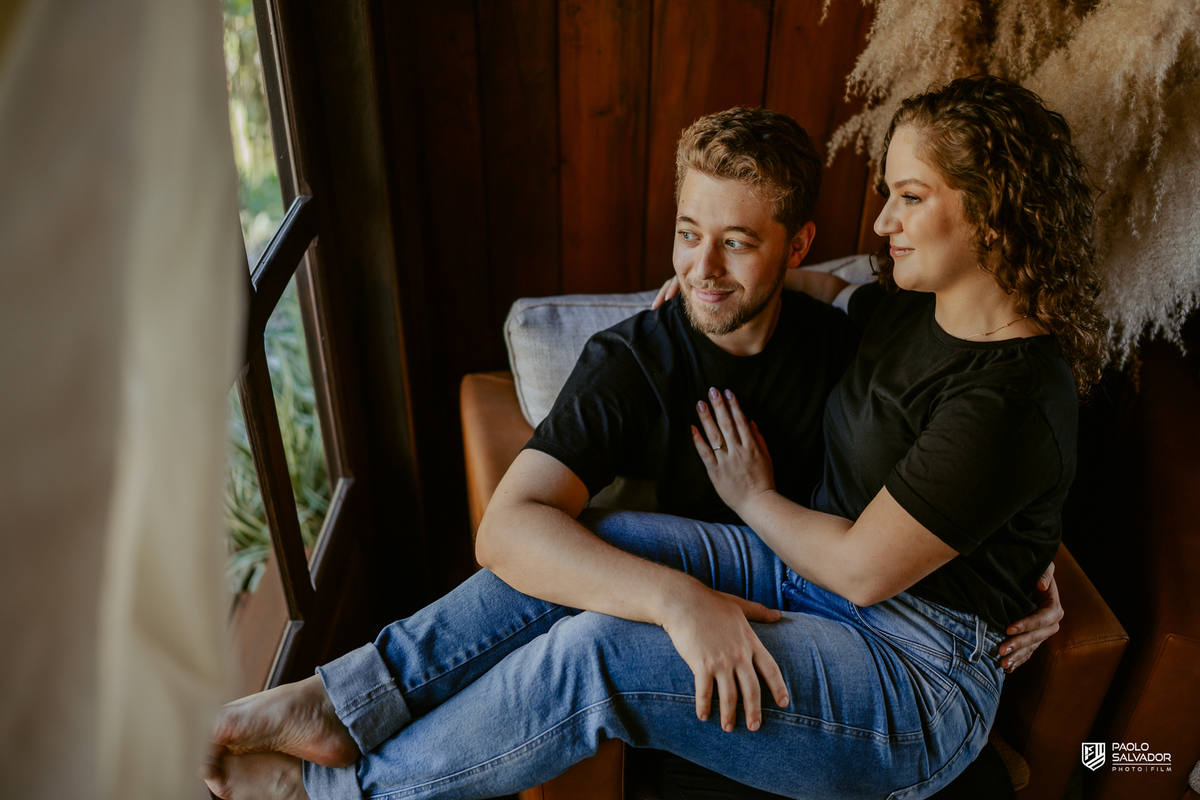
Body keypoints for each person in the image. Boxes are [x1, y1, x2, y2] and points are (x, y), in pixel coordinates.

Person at [202, 87, 1077, 799]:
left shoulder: (1015, 394)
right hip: (815, 583)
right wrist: (714, 273)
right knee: (611, 540)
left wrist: (752, 497)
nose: (883, 222)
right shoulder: (902, 308)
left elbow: (871, 560)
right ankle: (343, 703)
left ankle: (334, 795)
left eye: (910, 198)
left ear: (993, 214)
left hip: (913, 671)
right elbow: (834, 292)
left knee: (598, 656)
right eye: (690, 233)